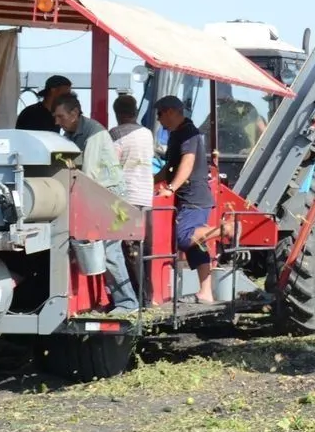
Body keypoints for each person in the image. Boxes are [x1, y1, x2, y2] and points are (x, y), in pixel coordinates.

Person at [51, 93, 140, 316]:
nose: (57, 122)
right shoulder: (70, 133)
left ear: (74, 113)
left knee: (110, 251)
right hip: (97, 194)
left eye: (61, 116)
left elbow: (88, 176)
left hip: (109, 197)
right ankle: (112, 299)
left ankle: (128, 303)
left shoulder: (94, 133)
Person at [154, 94, 236, 305]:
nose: (159, 120)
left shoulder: (189, 134)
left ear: (171, 112)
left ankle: (224, 229)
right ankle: (205, 292)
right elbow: (170, 167)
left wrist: (171, 188)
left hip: (193, 197)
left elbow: (187, 164)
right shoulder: (176, 134)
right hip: (191, 198)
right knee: (195, 246)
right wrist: (152, 181)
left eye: (159, 115)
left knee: (183, 238)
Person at [110, 93, 154, 302]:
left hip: (125, 197)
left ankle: (136, 296)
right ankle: (148, 294)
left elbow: (111, 162)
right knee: (143, 248)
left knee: (126, 249)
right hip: (145, 195)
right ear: (135, 111)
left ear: (117, 113)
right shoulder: (147, 133)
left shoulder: (116, 133)